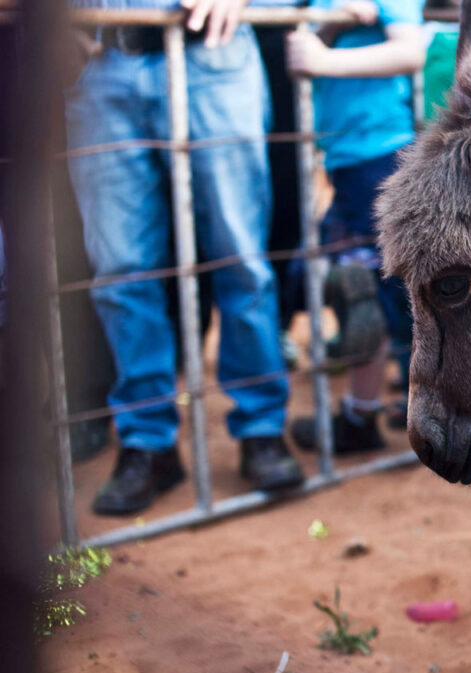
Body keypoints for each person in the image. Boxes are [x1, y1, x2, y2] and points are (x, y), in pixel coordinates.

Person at [65, 0, 305, 516]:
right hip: (102, 62)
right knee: (121, 271)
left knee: (240, 259)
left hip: (213, 55)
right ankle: (147, 443)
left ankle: (262, 429)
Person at [285, 0, 425, 454]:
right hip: (350, 157)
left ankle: (365, 417)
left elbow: (410, 51)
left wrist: (324, 60)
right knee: (369, 290)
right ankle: (393, 410)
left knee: (368, 293)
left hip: (378, 155)